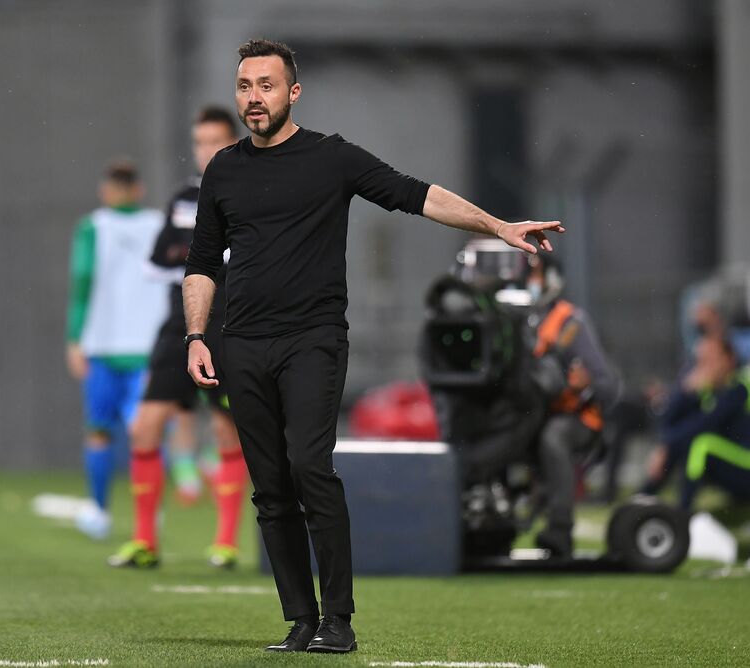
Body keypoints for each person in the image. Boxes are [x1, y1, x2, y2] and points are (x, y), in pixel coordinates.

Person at [182, 39, 564, 654]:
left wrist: (498, 226)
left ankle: (338, 619)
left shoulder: (331, 157)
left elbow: (418, 194)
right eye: (246, 86)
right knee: (271, 489)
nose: (254, 98)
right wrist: (196, 336)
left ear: (292, 93)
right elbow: (202, 262)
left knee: (310, 467)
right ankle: (300, 619)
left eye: (267, 86)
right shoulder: (223, 169)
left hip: (312, 340)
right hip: (241, 344)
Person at [108, 106, 247, 570]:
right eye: (200, 142)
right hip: (180, 326)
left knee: (227, 430)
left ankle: (226, 543)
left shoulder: (250, 193)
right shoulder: (185, 198)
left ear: (233, 142)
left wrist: (192, 255)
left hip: (227, 324)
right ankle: (145, 542)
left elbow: (228, 257)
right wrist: (200, 255)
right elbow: (157, 260)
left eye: (215, 141)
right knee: (145, 427)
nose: (206, 150)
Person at [66, 161, 168, 539]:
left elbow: (81, 282)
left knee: (101, 431)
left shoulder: (93, 227)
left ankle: (99, 511)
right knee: (146, 432)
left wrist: (74, 338)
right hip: (146, 347)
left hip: (107, 346)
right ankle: (148, 513)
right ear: (139, 189)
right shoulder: (158, 223)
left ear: (105, 190)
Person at [527, 254, 621, 556]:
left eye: (533, 272)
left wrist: (585, 384)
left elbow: (608, 384)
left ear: (552, 279)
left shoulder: (567, 323)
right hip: (530, 415)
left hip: (575, 417)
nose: (525, 280)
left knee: (553, 436)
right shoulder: (517, 321)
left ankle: (559, 526)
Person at [644, 336, 750, 510]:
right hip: (726, 464)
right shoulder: (706, 390)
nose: (704, 366)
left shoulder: (740, 388)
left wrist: (664, 446)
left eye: (710, 360)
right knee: (683, 439)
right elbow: (669, 420)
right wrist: (685, 392)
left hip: (745, 466)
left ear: (729, 359)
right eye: (700, 361)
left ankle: (682, 512)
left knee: (701, 444)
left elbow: (704, 424)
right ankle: (641, 500)